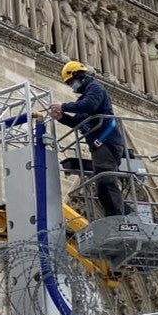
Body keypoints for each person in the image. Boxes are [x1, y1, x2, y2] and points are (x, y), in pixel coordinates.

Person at [47, 61, 127, 217]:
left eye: (71, 82)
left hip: (107, 143)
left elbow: (89, 105)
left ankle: (119, 217)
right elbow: (77, 122)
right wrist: (61, 117)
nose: (72, 86)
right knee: (102, 185)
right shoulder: (83, 98)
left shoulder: (95, 88)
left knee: (106, 180)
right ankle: (116, 215)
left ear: (79, 75)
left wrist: (63, 106)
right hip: (99, 147)